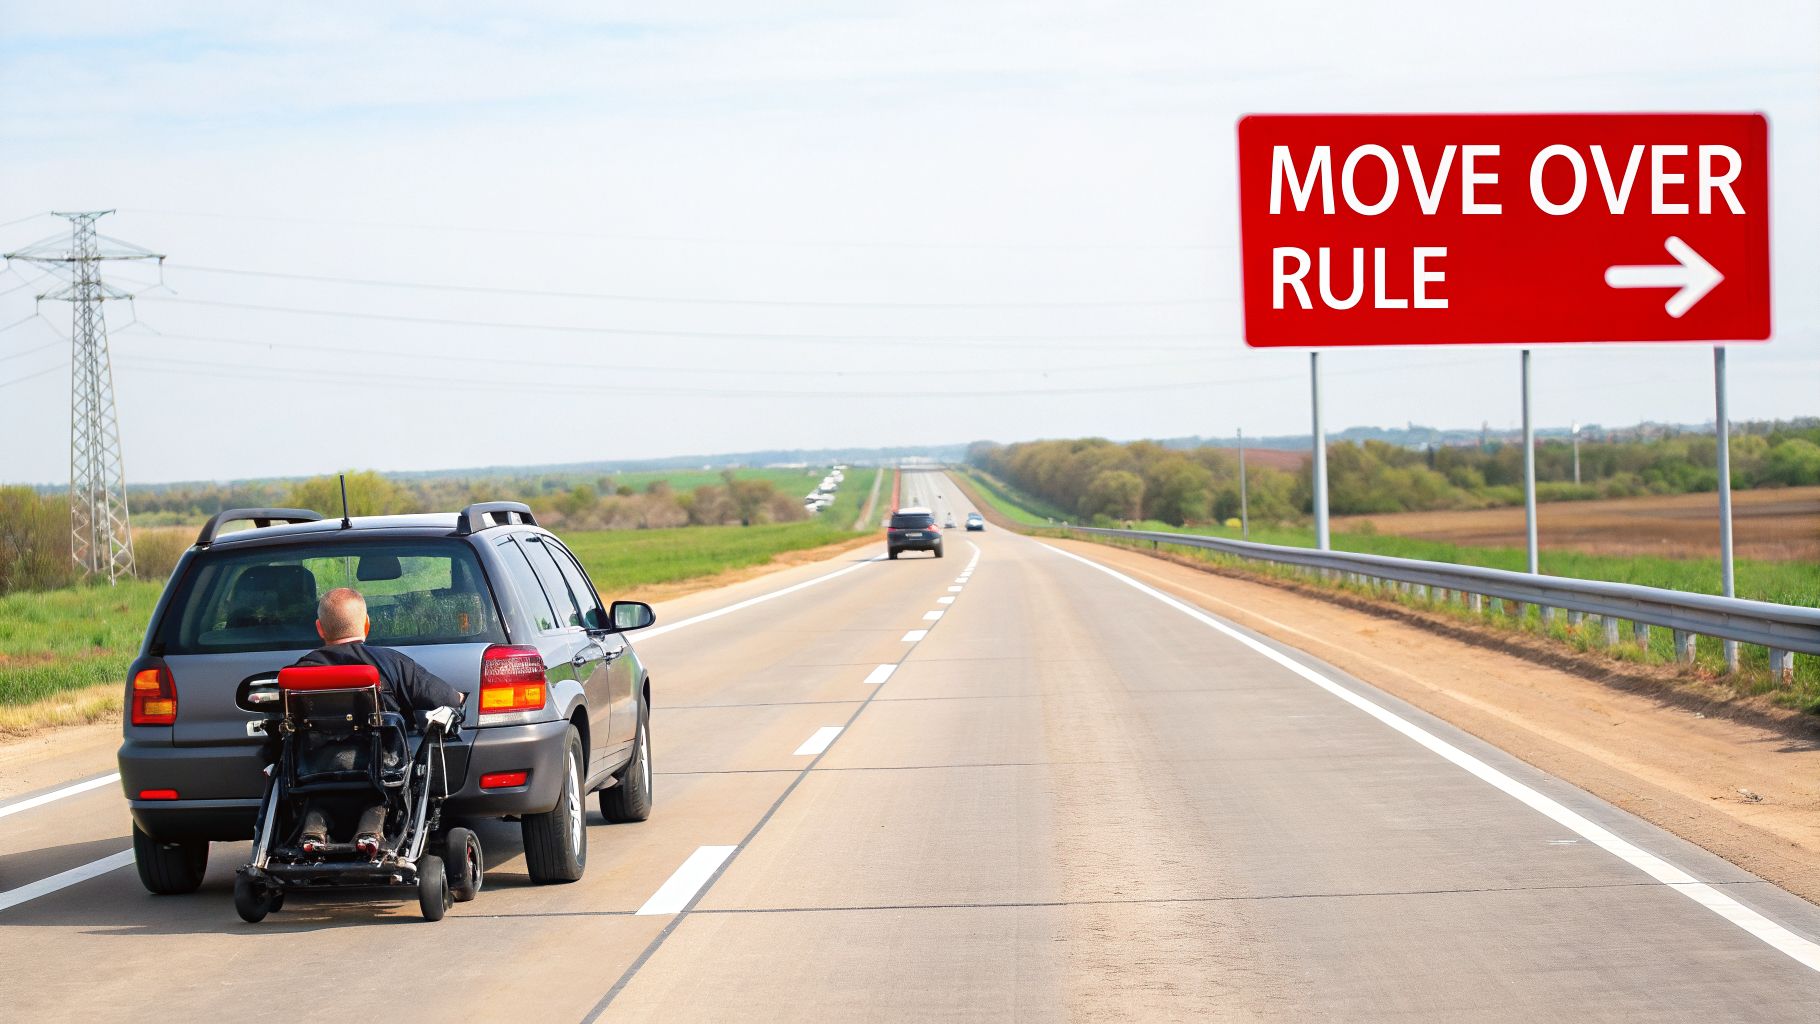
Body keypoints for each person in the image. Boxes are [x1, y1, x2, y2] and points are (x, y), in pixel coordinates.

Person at [292, 586, 464, 857]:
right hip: (381, 771)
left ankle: (314, 827)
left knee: (317, 800)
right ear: (367, 625)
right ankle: (371, 828)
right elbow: (447, 698)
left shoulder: (299, 672)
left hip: (314, 771)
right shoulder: (391, 663)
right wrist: (458, 697)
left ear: (320, 629)